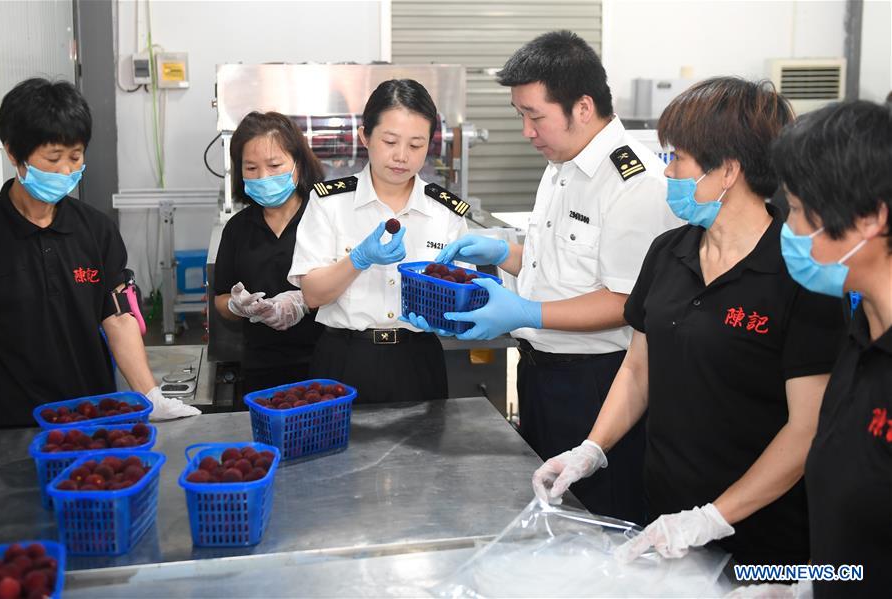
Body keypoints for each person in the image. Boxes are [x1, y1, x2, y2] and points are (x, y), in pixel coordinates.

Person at [532, 77, 846, 571]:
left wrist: (713, 517)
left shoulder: (801, 273)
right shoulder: (670, 252)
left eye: (677, 158)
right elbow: (638, 370)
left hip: (764, 535)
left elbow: (805, 429)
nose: (668, 170)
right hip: (666, 519)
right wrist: (592, 448)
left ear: (727, 171)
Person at [424, 31, 681, 523]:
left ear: (583, 107)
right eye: (521, 115)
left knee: (600, 521)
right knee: (552, 521)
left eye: (535, 115)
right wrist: (506, 253)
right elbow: (560, 265)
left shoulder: (634, 183)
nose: (527, 131)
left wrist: (526, 311)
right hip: (541, 374)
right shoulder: (562, 162)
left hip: (599, 386)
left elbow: (626, 301)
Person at [0, 78, 199, 427]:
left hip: (94, 415)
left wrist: (151, 395)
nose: (66, 171)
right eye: (53, 158)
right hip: (9, 425)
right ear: (14, 153)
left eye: (75, 157)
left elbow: (118, 317)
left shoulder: (95, 229)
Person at [771, 100, 890, 597]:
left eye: (798, 211)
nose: (789, 230)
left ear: (868, 219)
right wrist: (799, 582)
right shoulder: (860, 335)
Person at [288, 79, 469, 403]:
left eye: (416, 145)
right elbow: (312, 295)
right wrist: (357, 260)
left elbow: (462, 300)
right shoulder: (329, 202)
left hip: (419, 360)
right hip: (343, 359)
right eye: (390, 141)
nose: (402, 156)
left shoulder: (445, 212)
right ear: (365, 136)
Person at [213, 112, 325, 395]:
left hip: (324, 363)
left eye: (275, 165)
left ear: (298, 164)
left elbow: (350, 280)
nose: (263, 177)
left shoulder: (324, 218)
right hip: (261, 368)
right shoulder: (237, 229)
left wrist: (305, 301)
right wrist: (239, 306)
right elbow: (221, 299)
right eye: (251, 168)